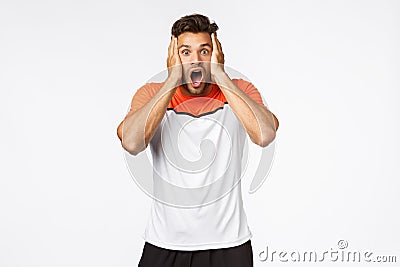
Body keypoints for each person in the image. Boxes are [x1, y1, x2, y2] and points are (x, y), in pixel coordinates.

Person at [117, 14, 279, 267]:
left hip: (229, 245)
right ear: (173, 56)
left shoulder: (239, 91)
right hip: (164, 244)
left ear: (216, 55)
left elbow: (265, 135)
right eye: (185, 52)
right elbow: (131, 143)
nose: (195, 60)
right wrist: (171, 79)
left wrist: (222, 78)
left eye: (204, 51)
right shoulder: (152, 94)